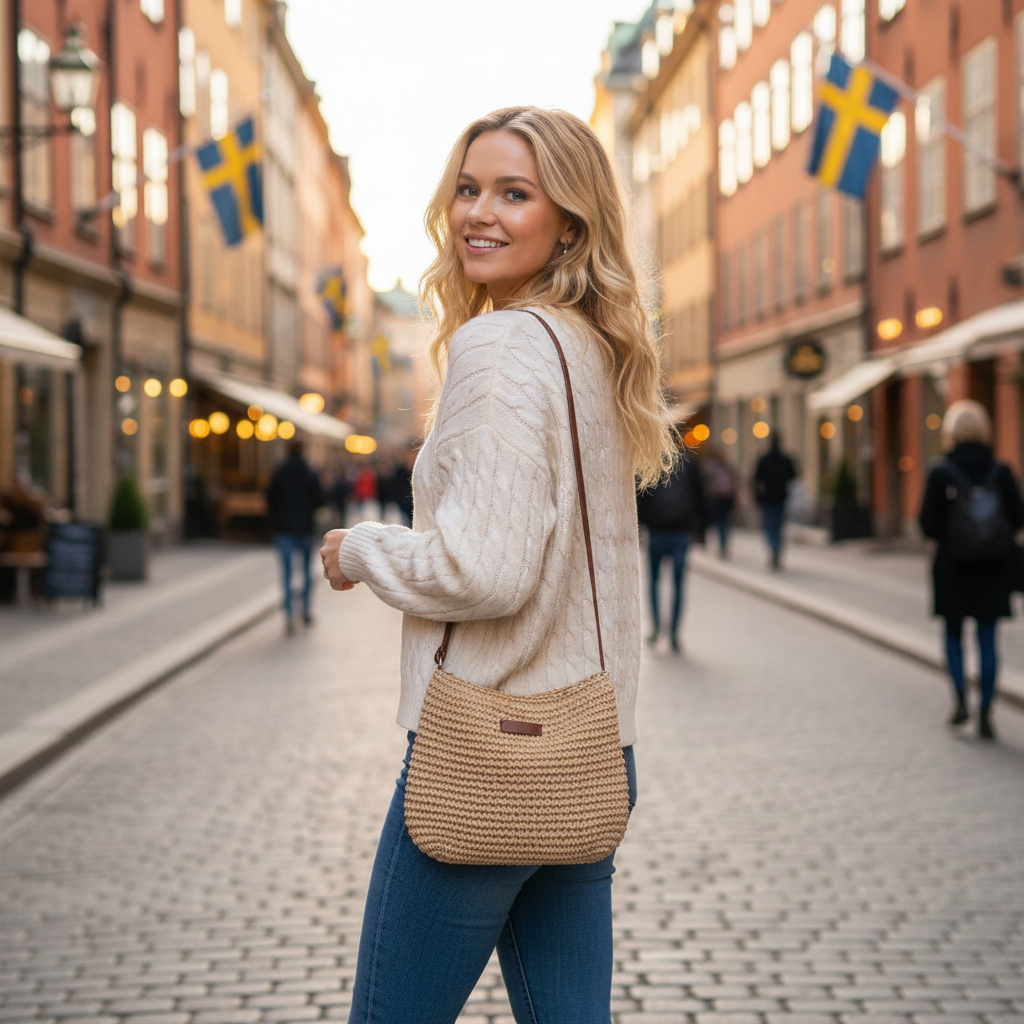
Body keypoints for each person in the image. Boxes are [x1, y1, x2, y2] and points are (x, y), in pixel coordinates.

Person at [319, 107, 675, 1023]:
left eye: (515, 193)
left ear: (570, 220)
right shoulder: (586, 349)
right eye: (469, 188)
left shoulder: (503, 345)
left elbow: (485, 572)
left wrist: (361, 548)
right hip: (591, 746)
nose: (479, 211)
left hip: (492, 755)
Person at [918, 400, 1024, 739]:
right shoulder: (1001, 472)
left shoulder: (940, 472)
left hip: (953, 568)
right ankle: (986, 711)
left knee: (953, 635)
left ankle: (961, 699)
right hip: (994, 569)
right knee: (988, 638)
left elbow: (927, 524)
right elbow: (1019, 519)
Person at [637, 438, 706, 652]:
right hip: (681, 532)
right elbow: (701, 497)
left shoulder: (652, 462)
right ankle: (675, 632)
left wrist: (640, 526)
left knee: (654, 581)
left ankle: (657, 627)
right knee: (678, 584)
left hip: (657, 531)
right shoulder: (690, 463)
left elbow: (641, 495)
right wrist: (701, 530)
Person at [266, 440, 323, 634]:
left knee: (287, 574)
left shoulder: (279, 473)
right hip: (305, 529)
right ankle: (306, 610)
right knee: (307, 573)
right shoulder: (310, 473)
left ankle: (290, 614)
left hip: (284, 530)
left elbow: (270, 499)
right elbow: (318, 500)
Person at [753, 433, 796, 570]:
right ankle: (776, 550)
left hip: (768, 499)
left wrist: (758, 498)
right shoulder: (785, 459)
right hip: (781, 498)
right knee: (778, 527)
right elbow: (793, 475)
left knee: (770, 527)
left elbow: (756, 480)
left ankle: (774, 549)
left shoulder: (764, 459)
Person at [703, 445, 737, 559]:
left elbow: (734, 482)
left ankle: (723, 545)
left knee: (724, 523)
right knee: (720, 523)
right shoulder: (712, 468)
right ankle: (722, 544)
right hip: (717, 499)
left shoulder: (727, 468)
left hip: (725, 499)